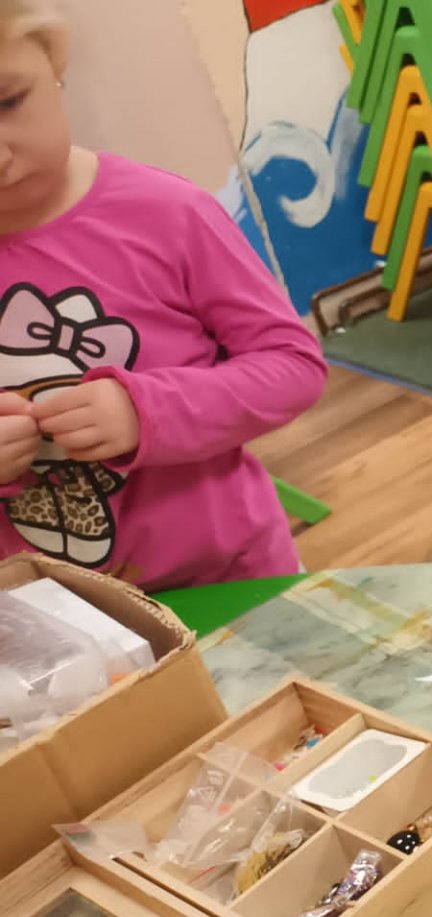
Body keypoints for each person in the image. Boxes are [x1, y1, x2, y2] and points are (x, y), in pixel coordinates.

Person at [0, 0, 327, 589]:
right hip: (53, 615)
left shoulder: (168, 213)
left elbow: (293, 366)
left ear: (52, 58)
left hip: (229, 575)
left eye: (7, 102)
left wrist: (148, 411)